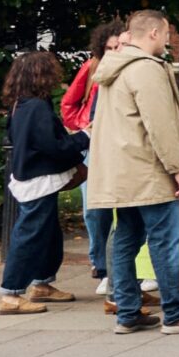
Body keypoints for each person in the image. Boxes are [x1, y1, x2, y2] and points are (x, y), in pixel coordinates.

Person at [91, 11, 179, 337]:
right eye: (165, 35)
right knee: (164, 241)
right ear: (154, 33)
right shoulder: (145, 70)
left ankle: (128, 312)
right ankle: (175, 312)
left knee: (125, 239)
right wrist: (178, 169)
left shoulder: (113, 67)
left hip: (123, 171)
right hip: (148, 170)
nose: (167, 42)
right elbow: (159, 125)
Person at [0, 50, 86, 314]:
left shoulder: (21, 104)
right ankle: (11, 294)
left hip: (30, 175)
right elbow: (54, 147)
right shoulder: (36, 107)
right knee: (30, 234)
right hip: (39, 178)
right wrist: (85, 137)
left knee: (47, 232)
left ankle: (42, 283)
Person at [66, 18, 123, 298]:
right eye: (108, 48)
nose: (113, 52)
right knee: (93, 209)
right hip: (93, 146)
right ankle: (100, 265)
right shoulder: (91, 68)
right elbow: (69, 103)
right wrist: (83, 124)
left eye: (118, 47)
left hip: (119, 145)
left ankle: (116, 266)